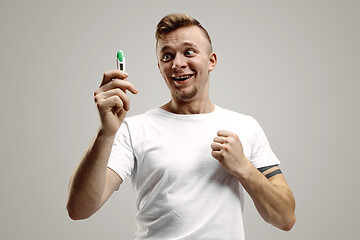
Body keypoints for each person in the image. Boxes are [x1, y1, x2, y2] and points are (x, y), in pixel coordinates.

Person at [67, 13, 296, 239]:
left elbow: (285, 218)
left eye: (189, 52)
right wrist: (105, 133)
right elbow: (79, 209)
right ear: (160, 67)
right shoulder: (135, 129)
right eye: (167, 56)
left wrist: (244, 168)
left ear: (211, 61)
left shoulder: (245, 126)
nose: (177, 64)